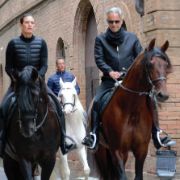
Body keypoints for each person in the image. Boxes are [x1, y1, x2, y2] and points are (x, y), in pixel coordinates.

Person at [82, 7, 174, 150]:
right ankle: (93, 135)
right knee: (98, 101)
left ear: (121, 21)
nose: (114, 25)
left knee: (151, 99)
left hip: (130, 81)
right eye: (111, 22)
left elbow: (140, 58)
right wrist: (109, 71)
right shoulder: (100, 39)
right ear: (107, 22)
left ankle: (157, 134)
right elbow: (99, 59)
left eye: (116, 21)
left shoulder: (132, 38)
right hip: (109, 80)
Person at [0, 13, 74, 157]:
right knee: (3, 107)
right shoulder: (13, 44)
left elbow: (44, 65)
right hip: (18, 85)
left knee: (57, 106)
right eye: (27, 22)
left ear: (34, 25)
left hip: (37, 84)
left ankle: (63, 140)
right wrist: (18, 79)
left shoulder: (41, 43)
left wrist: (36, 78)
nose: (29, 25)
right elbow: (8, 67)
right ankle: (2, 140)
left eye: (32, 23)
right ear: (21, 25)